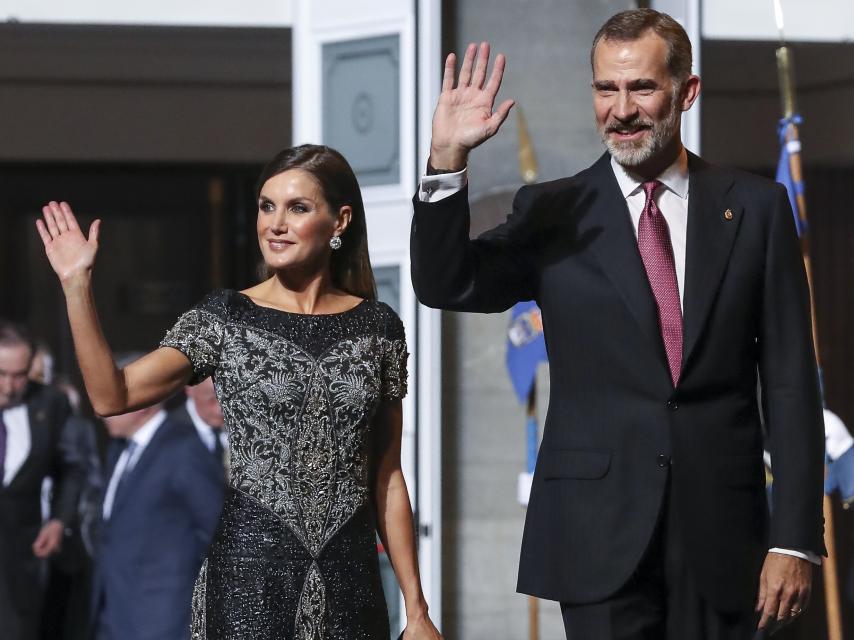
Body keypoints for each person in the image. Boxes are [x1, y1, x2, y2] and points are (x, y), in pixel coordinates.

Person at [411, 8, 824, 640]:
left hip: (725, 536)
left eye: (642, 88)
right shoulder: (554, 211)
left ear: (687, 91)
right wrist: (446, 160)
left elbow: (792, 385)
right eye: (607, 88)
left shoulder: (758, 210)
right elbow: (448, 282)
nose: (622, 109)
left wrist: (795, 539)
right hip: (595, 535)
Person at [36, 144, 441, 640]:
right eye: (266, 206)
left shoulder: (379, 328)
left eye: (298, 208)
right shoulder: (227, 318)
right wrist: (77, 285)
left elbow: (388, 476)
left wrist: (417, 610)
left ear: (340, 221)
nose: (276, 223)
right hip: (247, 580)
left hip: (349, 580)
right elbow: (111, 397)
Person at [90, 358, 225, 640]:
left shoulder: (183, 448)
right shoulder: (119, 449)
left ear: (141, 400)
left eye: (108, 396)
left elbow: (217, 533)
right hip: (115, 614)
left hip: (164, 619)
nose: (99, 412)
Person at [0, 321, 85, 640]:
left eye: (19, 375)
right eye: (1, 374)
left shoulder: (50, 405)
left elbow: (71, 468)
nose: (9, 386)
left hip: (20, 563)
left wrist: (58, 521)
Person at [170, 377, 229, 475]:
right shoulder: (170, 432)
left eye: (229, 399)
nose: (221, 409)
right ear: (190, 389)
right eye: (212, 399)